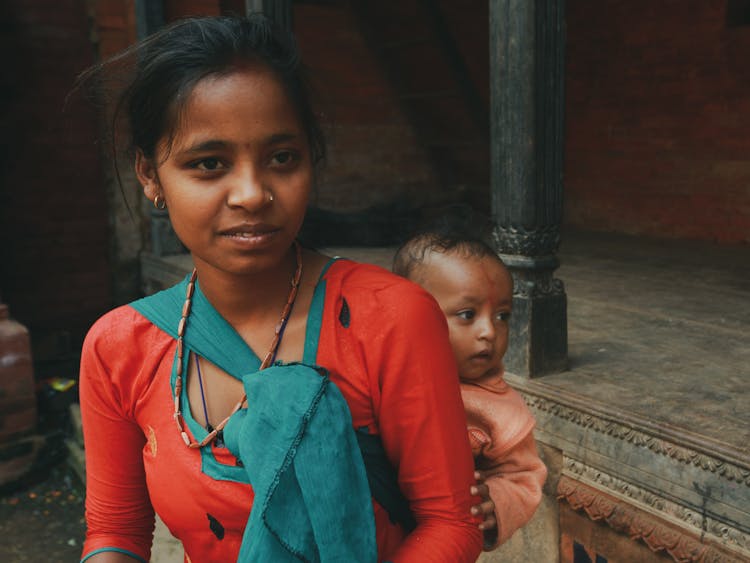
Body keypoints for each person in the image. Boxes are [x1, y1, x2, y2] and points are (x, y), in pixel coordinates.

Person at [76, 14, 482, 563]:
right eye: (209, 164)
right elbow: (116, 532)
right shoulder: (118, 348)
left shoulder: (390, 316)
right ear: (150, 175)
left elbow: (450, 524)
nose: (251, 193)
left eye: (281, 158)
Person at [392, 211, 548, 550]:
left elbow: (523, 476)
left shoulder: (498, 410)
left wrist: (497, 502)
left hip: (432, 539)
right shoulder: (384, 368)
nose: (489, 332)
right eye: (467, 315)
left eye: (502, 315)